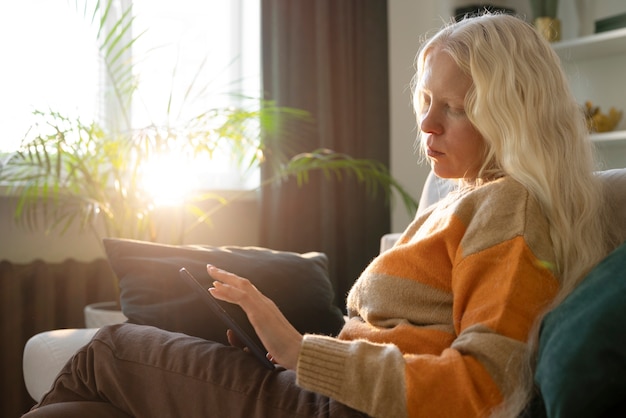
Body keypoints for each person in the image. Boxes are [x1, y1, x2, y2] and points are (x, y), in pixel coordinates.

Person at [24, 13, 614, 418]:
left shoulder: (509, 208)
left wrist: (301, 352)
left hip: (341, 410)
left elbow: (483, 389)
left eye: (455, 109)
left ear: (511, 115)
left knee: (109, 351)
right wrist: (289, 345)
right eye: (426, 102)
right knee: (93, 405)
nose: (428, 124)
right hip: (325, 393)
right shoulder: (461, 198)